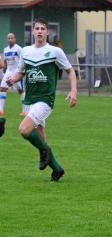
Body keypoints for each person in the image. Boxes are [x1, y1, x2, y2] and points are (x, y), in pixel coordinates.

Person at [4, 18, 77, 181]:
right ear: (33, 32)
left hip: (45, 100)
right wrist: (13, 79)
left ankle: (45, 153)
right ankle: (57, 169)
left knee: (24, 130)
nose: (39, 31)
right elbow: (21, 71)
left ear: (47, 32)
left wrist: (73, 91)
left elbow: (70, 71)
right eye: (36, 28)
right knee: (41, 140)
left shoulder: (55, 51)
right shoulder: (26, 51)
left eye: (42, 29)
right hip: (29, 100)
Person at [0, 33, 25, 123]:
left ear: (15, 39)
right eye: (8, 38)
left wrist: (22, 71)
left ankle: (24, 110)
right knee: (2, 88)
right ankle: (1, 110)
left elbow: (23, 60)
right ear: (7, 40)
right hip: (8, 71)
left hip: (17, 71)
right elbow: (5, 62)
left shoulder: (19, 48)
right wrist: (4, 72)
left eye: (12, 38)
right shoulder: (5, 49)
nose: (10, 39)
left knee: (20, 90)